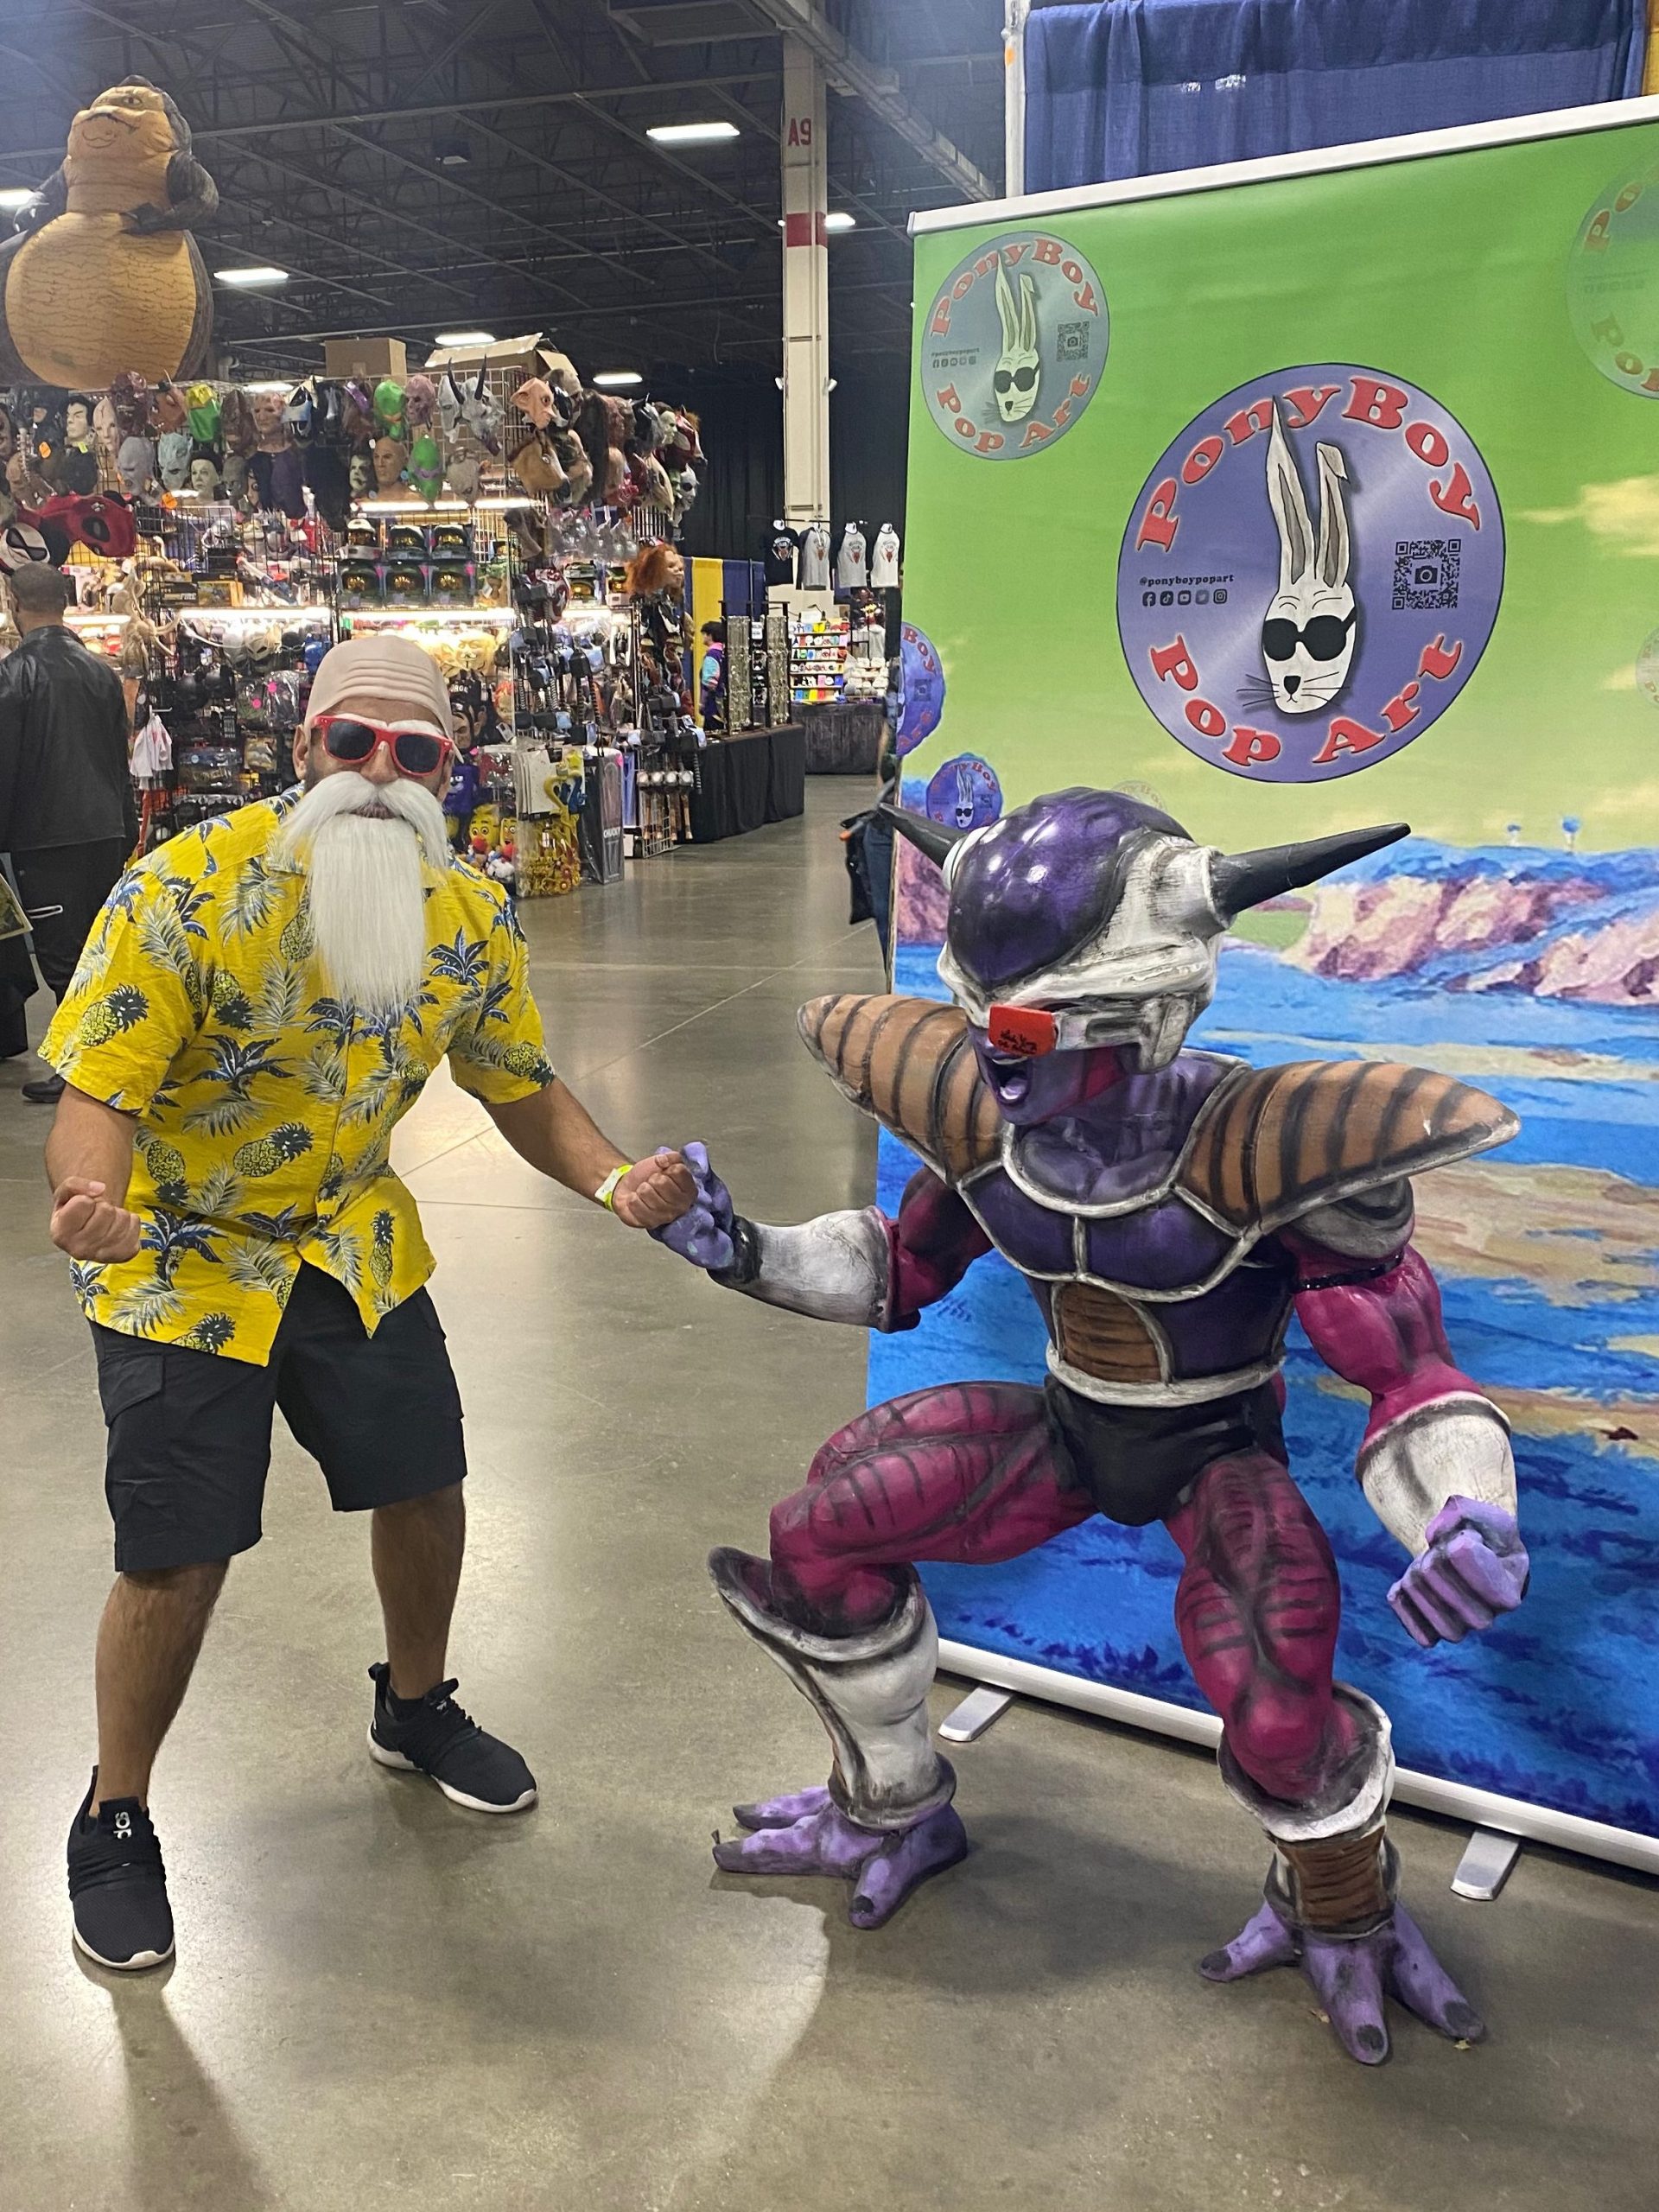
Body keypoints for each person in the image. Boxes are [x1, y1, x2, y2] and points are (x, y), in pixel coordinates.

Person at [656, 788, 1530, 2068]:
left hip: (1216, 1455)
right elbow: (902, 1271)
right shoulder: (986, 1123)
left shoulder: (1261, 1148)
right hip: (1069, 1426)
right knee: (822, 1532)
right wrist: (742, 1247)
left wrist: (1468, 1511)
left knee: (1278, 1704)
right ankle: (893, 1807)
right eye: (976, 1022)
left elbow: (1407, 1370)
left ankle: (1343, 1902)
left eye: (1022, 1031)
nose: (995, 1063)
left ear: (1145, 1009)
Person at [40, 633, 700, 1974]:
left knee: (426, 1482)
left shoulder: (469, 914)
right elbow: (100, 1088)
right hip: (183, 1259)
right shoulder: (186, 890)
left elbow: (518, 1082)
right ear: (306, 747)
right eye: (354, 742)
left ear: (450, 769)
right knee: (178, 1549)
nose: (380, 773)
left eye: (415, 751)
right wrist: (88, 1196)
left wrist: (614, 1178)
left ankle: (414, 1704)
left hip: (353, 1241)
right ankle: (114, 1813)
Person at [0, 563, 137, 1103]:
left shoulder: (14, 676)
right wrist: (126, 826)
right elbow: (120, 759)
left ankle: (79, 1069)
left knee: (62, 954)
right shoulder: (101, 673)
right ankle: (102, 1058)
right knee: (96, 946)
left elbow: (5, 766)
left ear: (14, 603)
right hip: (103, 830)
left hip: (45, 837)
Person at [697, 619, 725, 732]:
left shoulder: (712, 655)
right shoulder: (723, 653)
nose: (703, 637)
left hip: (713, 707)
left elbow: (709, 683)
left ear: (710, 636)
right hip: (724, 706)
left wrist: (702, 704)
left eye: (705, 634)